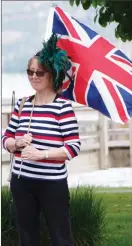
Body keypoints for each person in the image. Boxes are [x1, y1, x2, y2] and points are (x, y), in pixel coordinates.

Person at [2, 33, 81, 246]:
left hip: (52, 184)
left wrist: (41, 154)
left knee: (61, 237)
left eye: (40, 72)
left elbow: (73, 147)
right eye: (30, 72)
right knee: (27, 238)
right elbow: (6, 138)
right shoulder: (22, 104)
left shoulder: (62, 107)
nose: (34, 76)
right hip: (21, 182)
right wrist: (15, 143)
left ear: (52, 75)